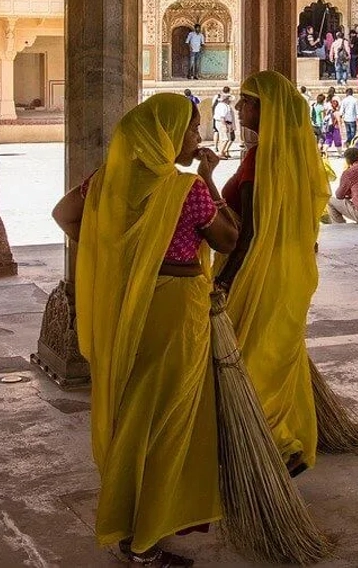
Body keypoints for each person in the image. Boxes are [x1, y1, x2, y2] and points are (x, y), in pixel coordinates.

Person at [54, 93, 239, 565]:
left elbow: (65, 216)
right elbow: (227, 239)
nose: (196, 138)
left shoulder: (110, 180)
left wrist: (118, 248)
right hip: (174, 308)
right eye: (191, 130)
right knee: (167, 417)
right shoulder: (185, 190)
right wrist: (208, 177)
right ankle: (143, 537)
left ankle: (126, 520)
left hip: (127, 304)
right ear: (165, 136)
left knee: (134, 410)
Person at [218, 70, 328, 477]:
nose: (240, 108)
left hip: (259, 269)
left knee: (252, 357)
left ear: (266, 110)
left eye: (247, 102)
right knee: (279, 353)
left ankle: (272, 443)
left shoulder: (260, 159)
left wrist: (226, 277)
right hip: (291, 270)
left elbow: (248, 229)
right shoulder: (299, 156)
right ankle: (283, 439)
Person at [212, 88, 235, 158]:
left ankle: (222, 152)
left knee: (223, 139)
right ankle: (220, 153)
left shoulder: (222, 105)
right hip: (222, 123)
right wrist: (225, 126)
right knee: (225, 139)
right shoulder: (223, 106)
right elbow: (222, 118)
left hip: (222, 123)